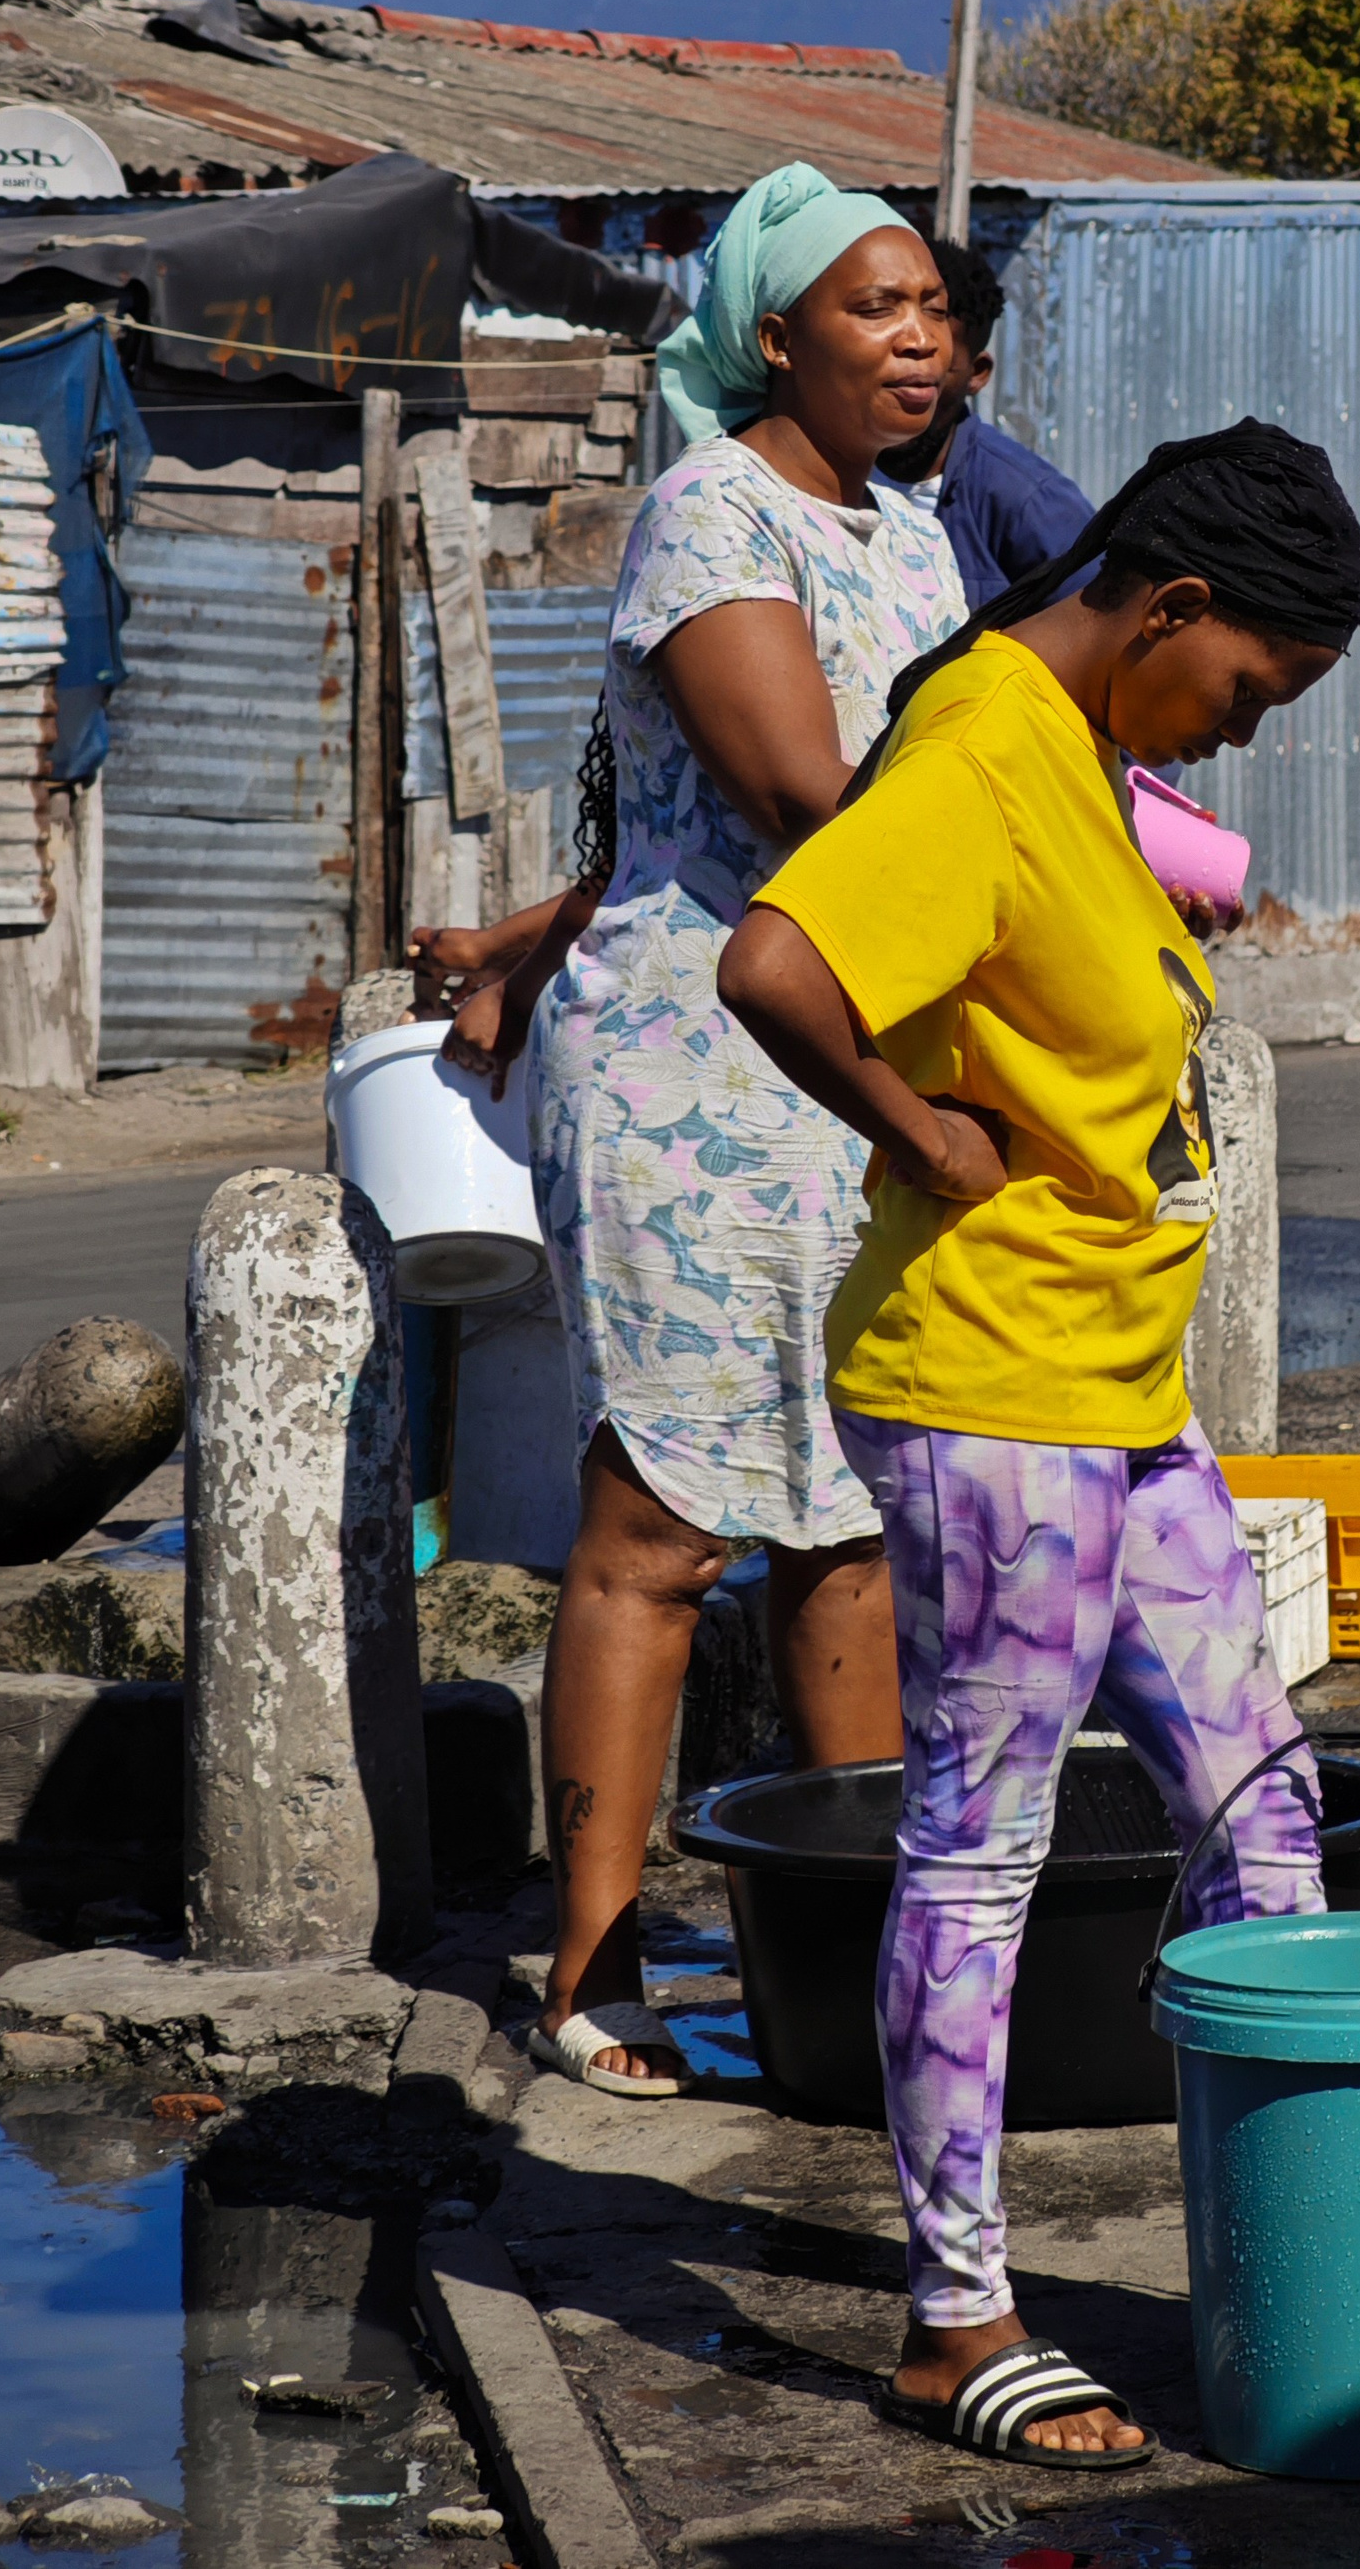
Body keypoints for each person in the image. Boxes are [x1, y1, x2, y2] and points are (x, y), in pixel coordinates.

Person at [715, 420, 1360, 2466]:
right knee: (980, 1842)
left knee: (1262, 1813)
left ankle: (1316, 2265)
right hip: (982, 1390)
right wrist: (916, 1131)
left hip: (1115, 1386)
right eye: (1247, 689)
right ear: (1167, 607)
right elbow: (776, 958)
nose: (1242, 735)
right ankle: (952, 2309)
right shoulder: (986, 748)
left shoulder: (1074, 742)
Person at [419, 160, 967, 2096]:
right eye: (876, 306)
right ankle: (587, 1965)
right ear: (775, 335)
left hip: (846, 1070)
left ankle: (845, 1971)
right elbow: (804, 796)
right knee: (660, 1521)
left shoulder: (912, 533)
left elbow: (669, 835)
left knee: (843, 1518)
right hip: (691, 1080)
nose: (921, 337)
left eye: (934, 307)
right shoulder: (708, 514)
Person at [876, 235, 1095, 604]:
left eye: (935, 366)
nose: (909, 380)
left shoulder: (1030, 502)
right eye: (896, 356)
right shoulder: (820, 475)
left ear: (977, 374)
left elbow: (1098, 635)